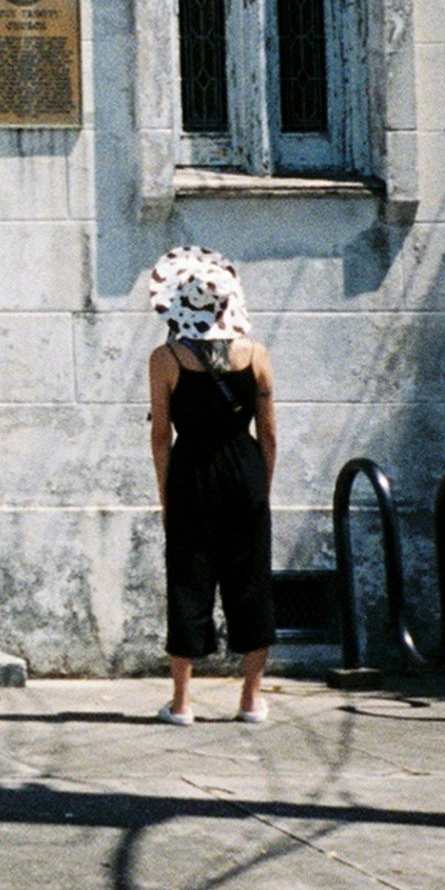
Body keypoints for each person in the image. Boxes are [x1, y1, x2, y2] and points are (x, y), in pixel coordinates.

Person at [146, 246, 278, 725]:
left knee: (187, 579)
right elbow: (268, 432)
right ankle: (251, 698)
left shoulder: (166, 359)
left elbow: (162, 435)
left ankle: (182, 702)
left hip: (191, 471)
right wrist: (262, 486)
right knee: (250, 581)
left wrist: (165, 495)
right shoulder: (255, 355)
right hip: (244, 470)